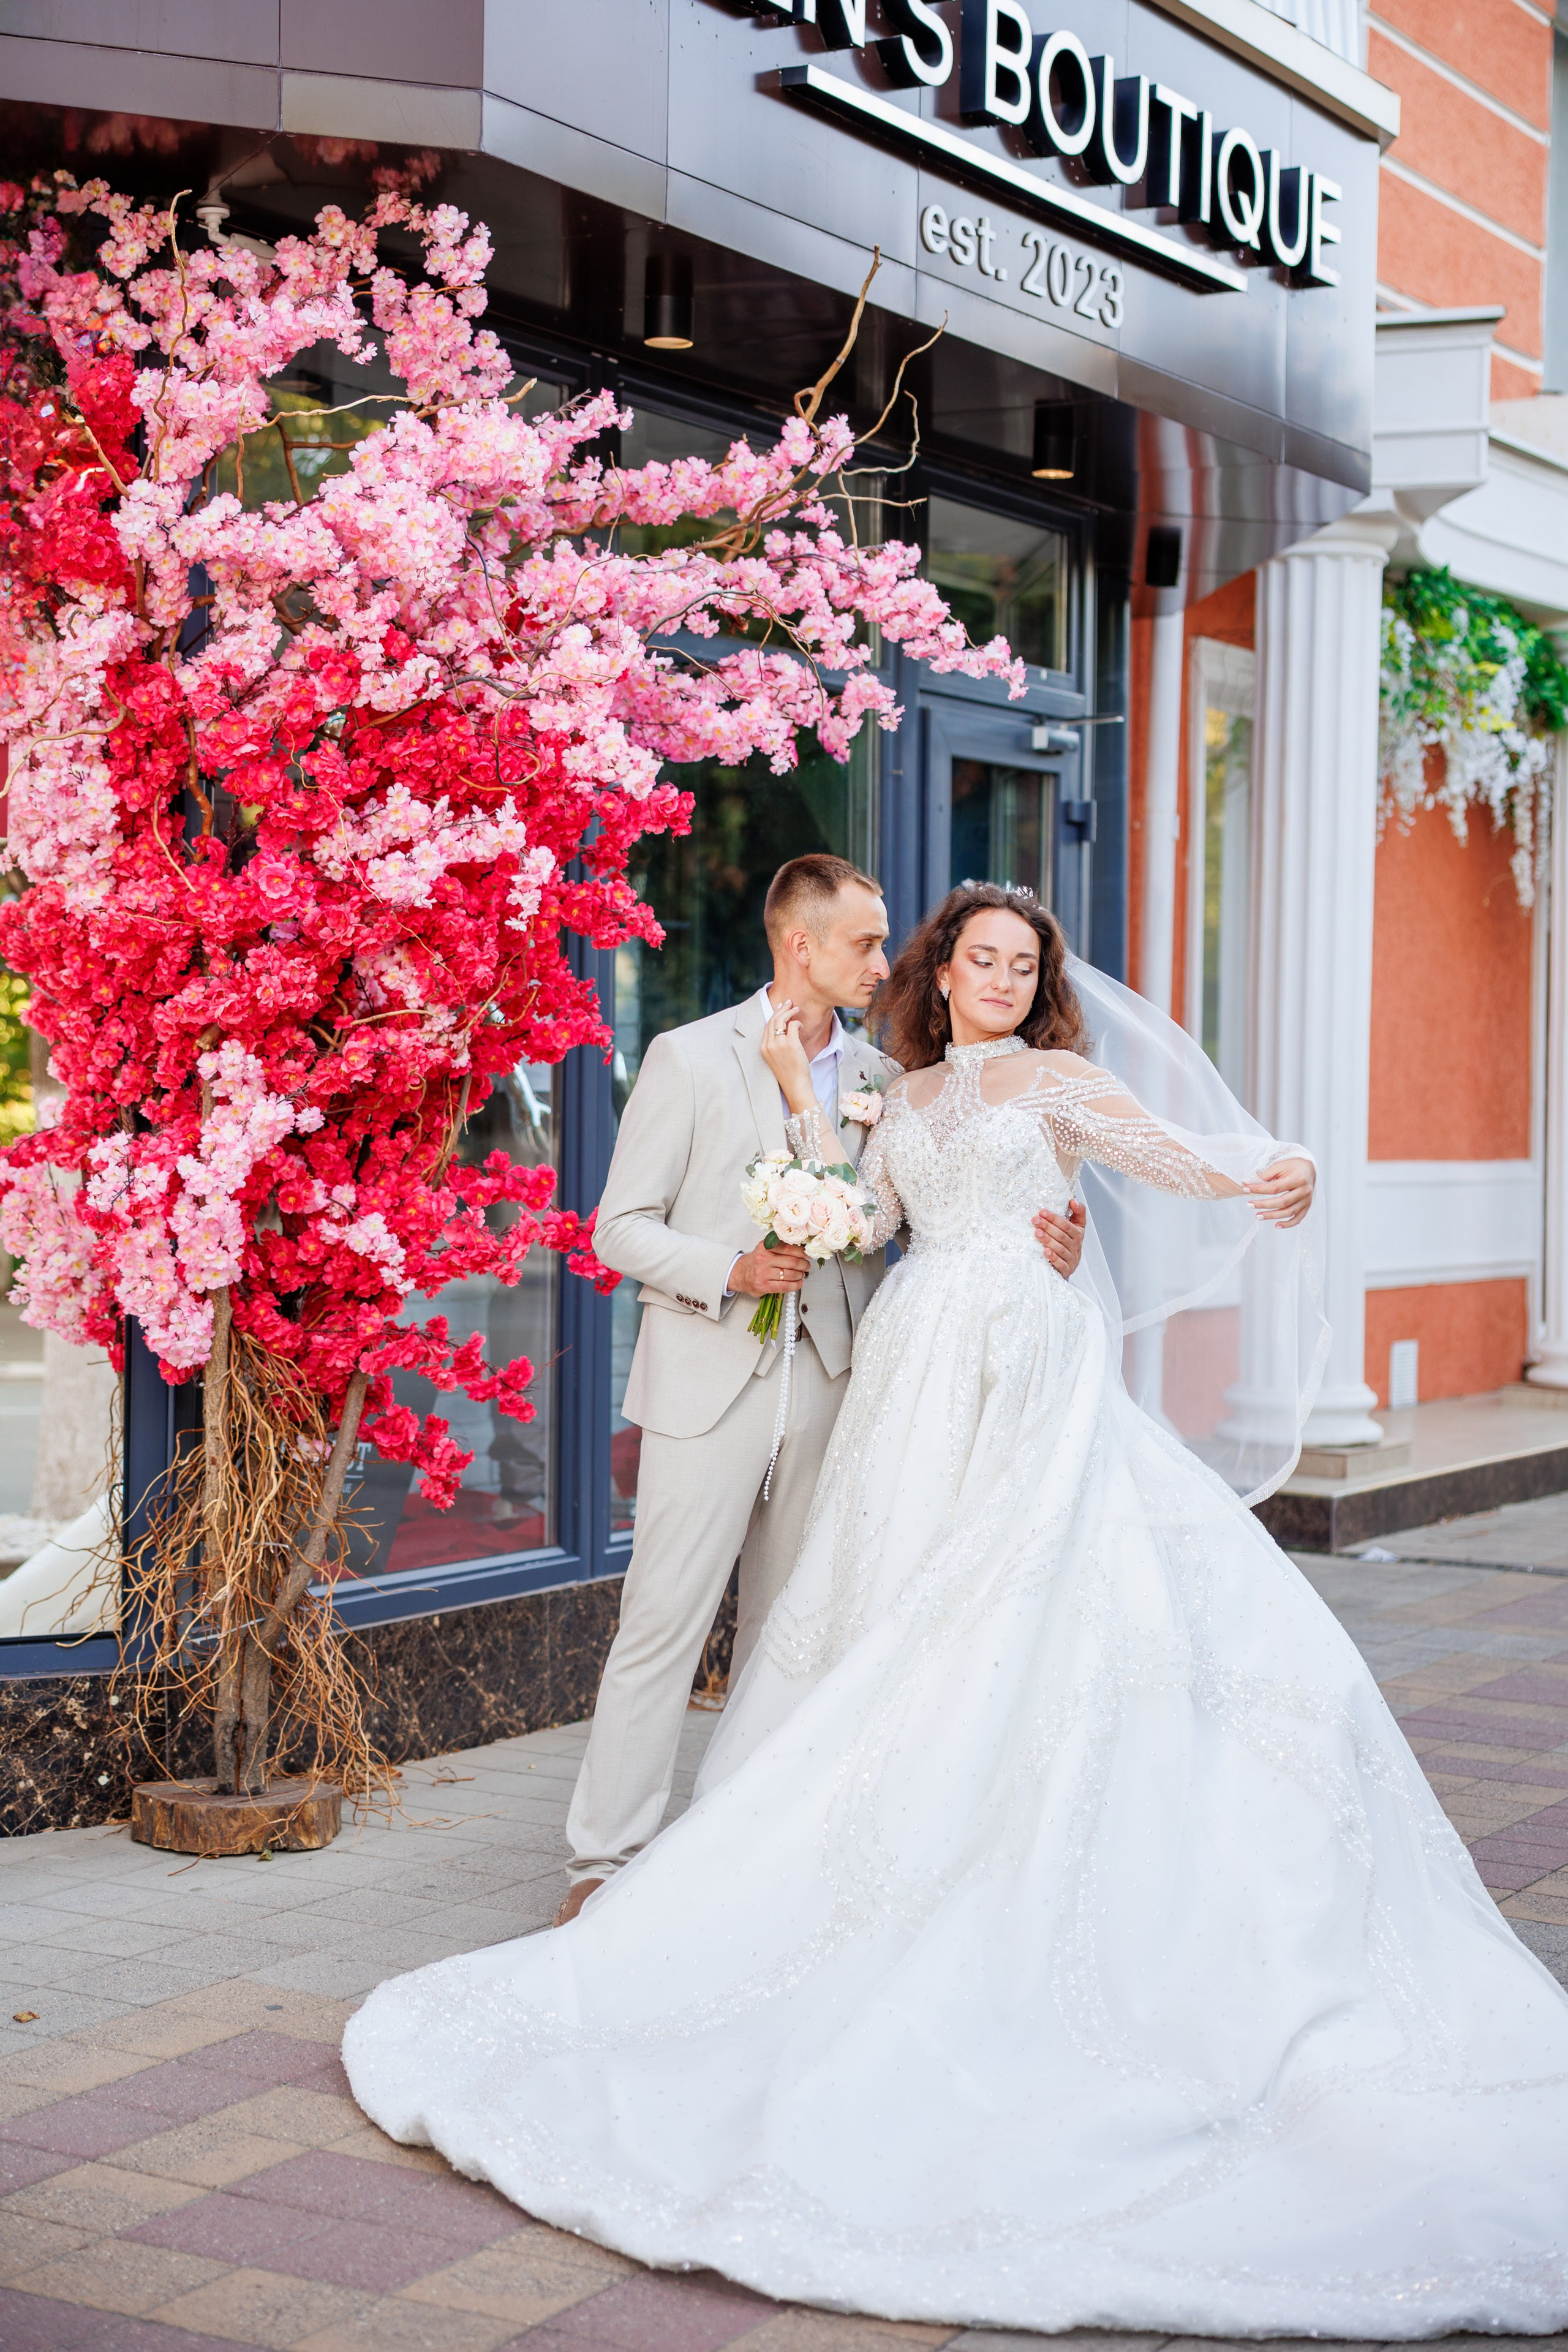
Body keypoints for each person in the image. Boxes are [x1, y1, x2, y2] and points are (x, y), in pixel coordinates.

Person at [345, 884, 1568, 2338]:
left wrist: (1265, 1171)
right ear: (935, 973)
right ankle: (762, 1863)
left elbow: (1165, 1159)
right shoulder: (888, 1090)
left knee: (1031, 1601)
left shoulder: (1057, 1081)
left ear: (1041, 984)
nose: (995, 977)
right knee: (879, 1616)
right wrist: (809, 1143)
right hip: (910, 1365)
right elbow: (861, 1222)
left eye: (1020, 963)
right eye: (974, 958)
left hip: (1025, 1358)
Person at [552, 854, 1084, 1926]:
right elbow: (616, 1227)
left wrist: (1054, 1247)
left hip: (842, 1384)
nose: (885, 964)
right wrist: (728, 1270)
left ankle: (740, 1849)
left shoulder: (890, 1082)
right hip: (709, 1382)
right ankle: (601, 1864)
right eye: (864, 944)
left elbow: (932, 1224)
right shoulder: (691, 1057)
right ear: (801, 944)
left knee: (794, 1630)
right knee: (661, 1626)